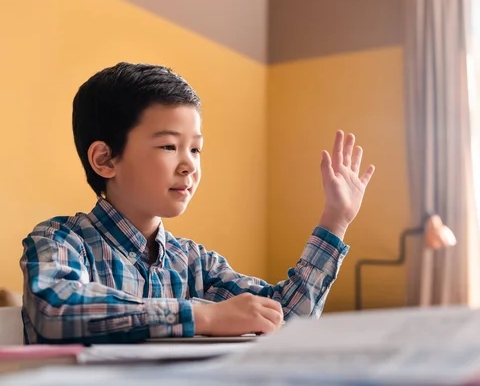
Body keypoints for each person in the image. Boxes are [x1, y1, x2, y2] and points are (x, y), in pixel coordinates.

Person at [20, 62, 375, 344]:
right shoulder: (60, 239)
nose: (189, 164)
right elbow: (57, 309)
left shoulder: (194, 263)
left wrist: (335, 220)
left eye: (196, 149)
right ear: (105, 159)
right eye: (169, 146)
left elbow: (285, 318)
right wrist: (203, 317)